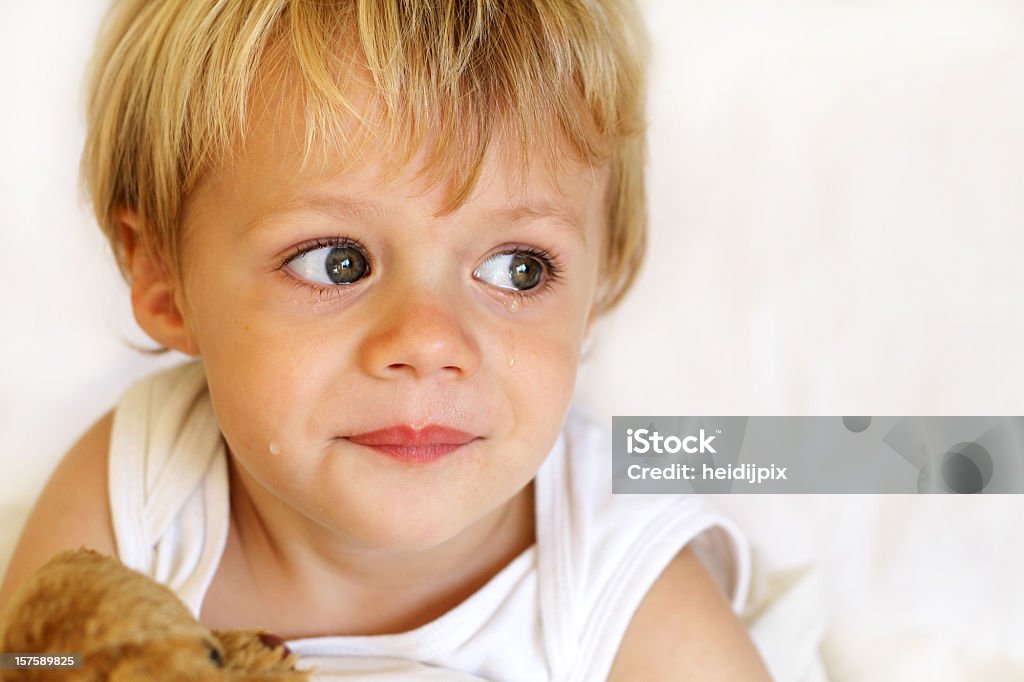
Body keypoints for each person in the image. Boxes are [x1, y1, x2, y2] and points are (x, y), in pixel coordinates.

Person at [0, 0, 770, 678]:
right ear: (163, 276)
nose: (430, 341)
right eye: (337, 262)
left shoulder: (618, 581)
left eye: (519, 269)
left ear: (598, 288)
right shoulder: (142, 486)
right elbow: (29, 659)